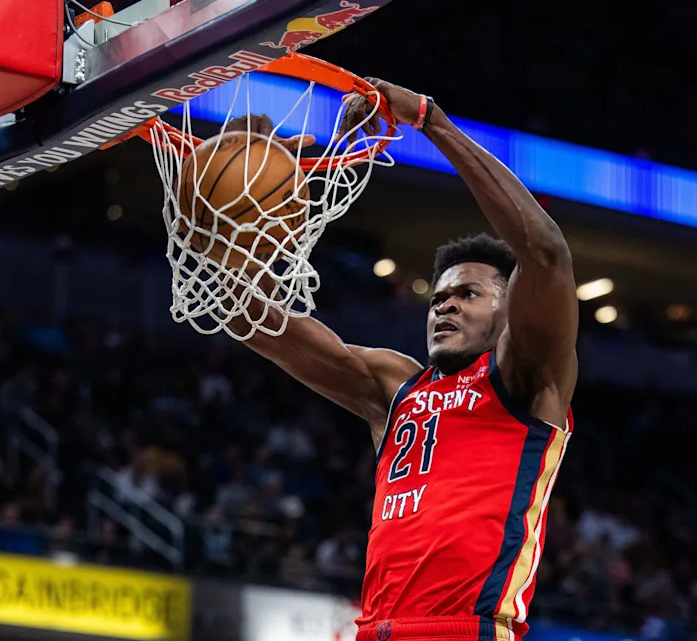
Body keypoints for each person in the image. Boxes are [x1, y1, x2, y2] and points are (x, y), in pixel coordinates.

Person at [231, 78, 578, 641]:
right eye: (438, 298)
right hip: (376, 630)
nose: (444, 306)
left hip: (467, 629)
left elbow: (545, 252)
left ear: (508, 313)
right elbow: (254, 321)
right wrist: (232, 215)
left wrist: (428, 119)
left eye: (467, 295)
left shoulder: (525, 374)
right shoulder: (394, 387)